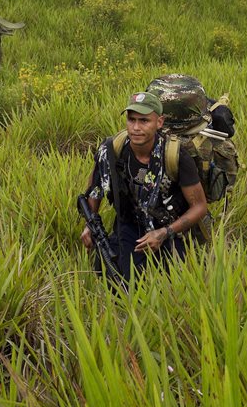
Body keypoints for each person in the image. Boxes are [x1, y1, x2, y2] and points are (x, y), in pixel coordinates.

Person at [80, 91, 209, 283]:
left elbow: (199, 206)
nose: (136, 128)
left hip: (168, 228)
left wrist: (164, 233)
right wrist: (90, 225)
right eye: (131, 120)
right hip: (130, 224)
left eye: (144, 121)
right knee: (116, 280)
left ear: (159, 122)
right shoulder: (112, 149)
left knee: (178, 281)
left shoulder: (175, 155)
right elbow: (96, 189)